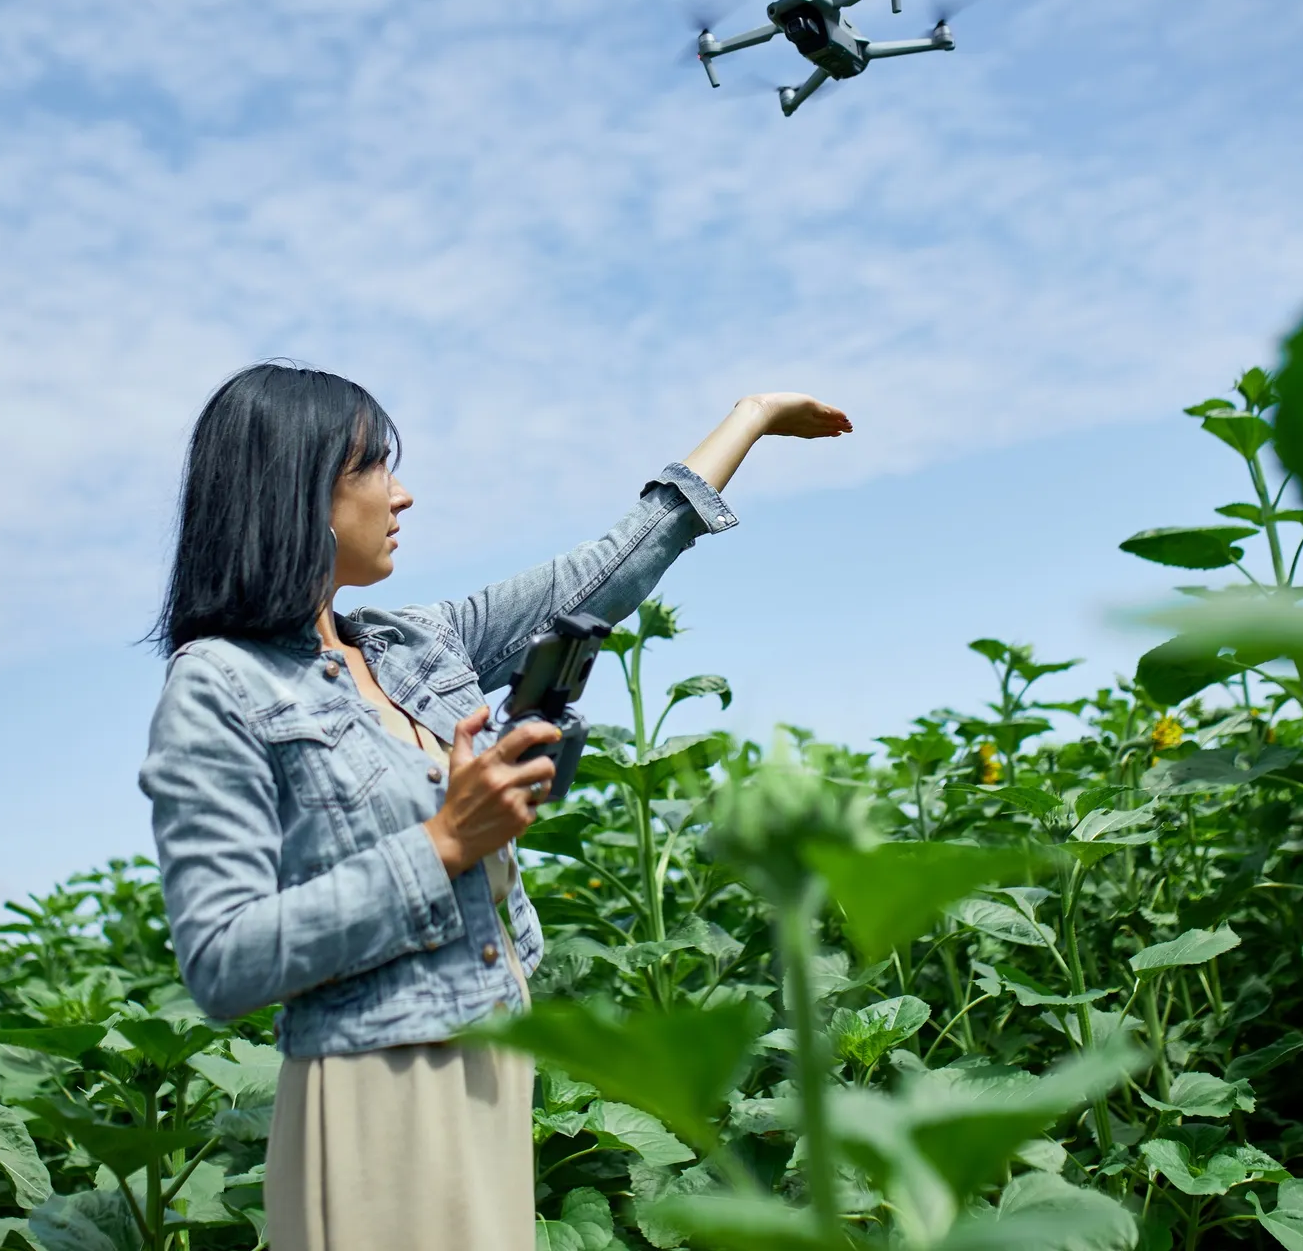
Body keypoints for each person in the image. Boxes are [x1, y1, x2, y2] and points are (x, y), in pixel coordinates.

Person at [140, 364, 851, 1250]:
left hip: (492, 1058)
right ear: (298, 487)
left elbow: (604, 573)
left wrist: (748, 419)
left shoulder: (412, 645)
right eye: (372, 469)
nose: (402, 495)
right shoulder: (219, 685)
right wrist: (443, 842)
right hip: (377, 1083)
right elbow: (221, 959)